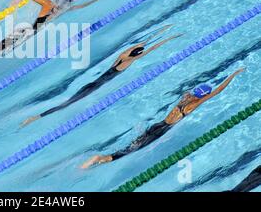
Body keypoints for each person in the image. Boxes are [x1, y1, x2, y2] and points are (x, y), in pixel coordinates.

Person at [81, 68, 245, 169]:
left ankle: (103, 158)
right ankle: (100, 159)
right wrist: (232, 75)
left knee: (133, 145)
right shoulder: (193, 104)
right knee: (130, 151)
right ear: (204, 96)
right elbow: (218, 91)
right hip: (162, 130)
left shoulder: (185, 98)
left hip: (158, 124)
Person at [21, 26, 181, 127]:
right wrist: (168, 38)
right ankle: (35, 117)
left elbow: (145, 43)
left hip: (92, 83)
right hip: (94, 87)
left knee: (67, 102)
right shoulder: (131, 60)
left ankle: (36, 115)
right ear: (136, 55)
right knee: (67, 104)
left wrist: (163, 30)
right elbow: (151, 48)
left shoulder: (122, 56)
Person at [0, 0, 109, 59]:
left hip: (29, 32)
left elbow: (79, 6)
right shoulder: (47, 4)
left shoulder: (61, 10)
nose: (63, 6)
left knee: (2, 46)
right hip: (26, 31)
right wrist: (17, 0)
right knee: (1, 46)